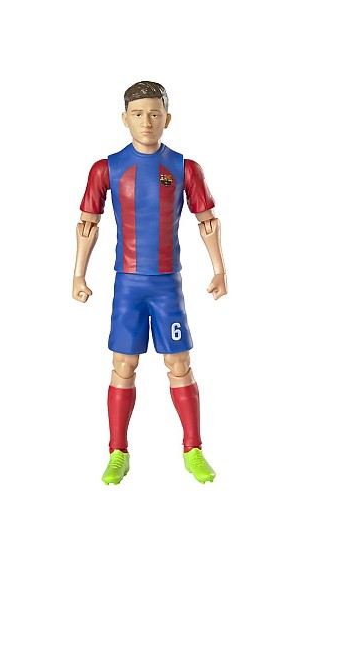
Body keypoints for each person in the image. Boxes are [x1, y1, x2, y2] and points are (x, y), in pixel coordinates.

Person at [73, 81, 227, 485]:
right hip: (127, 284)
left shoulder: (184, 168)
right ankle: (117, 452)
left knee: (179, 363)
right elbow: (88, 223)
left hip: (166, 285)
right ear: (124, 119)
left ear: (167, 119)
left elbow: (207, 220)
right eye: (138, 114)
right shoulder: (106, 168)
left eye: (155, 114)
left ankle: (193, 449)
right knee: (123, 365)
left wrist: (219, 268)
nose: (147, 121)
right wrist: (78, 274)